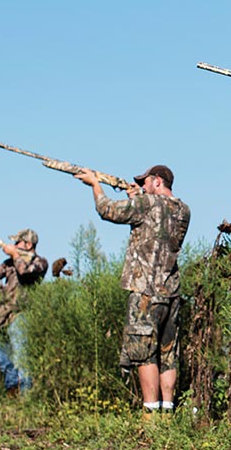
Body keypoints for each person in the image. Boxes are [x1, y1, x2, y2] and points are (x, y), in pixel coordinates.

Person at [78, 164, 190, 413]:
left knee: (144, 353)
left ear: (158, 181)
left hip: (145, 292)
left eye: (145, 182)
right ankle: (167, 410)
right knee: (168, 353)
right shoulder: (183, 210)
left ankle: (150, 414)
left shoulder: (147, 204)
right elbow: (156, 227)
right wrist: (138, 197)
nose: (141, 186)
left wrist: (95, 185)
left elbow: (108, 211)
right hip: (171, 292)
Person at [0, 229, 48, 394]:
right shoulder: (10, 263)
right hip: (3, 316)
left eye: (17, 243)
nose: (13, 245)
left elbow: (24, 271)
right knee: (4, 361)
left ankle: (25, 397)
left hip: (22, 315)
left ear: (28, 245)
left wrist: (15, 254)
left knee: (22, 359)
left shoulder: (40, 262)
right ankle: (12, 396)